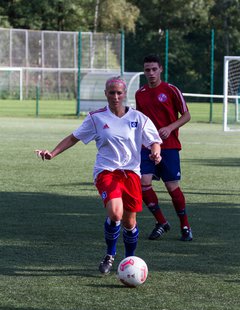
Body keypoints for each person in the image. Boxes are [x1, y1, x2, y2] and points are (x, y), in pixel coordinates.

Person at [35, 76, 162, 275]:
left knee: (130, 222)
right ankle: (110, 254)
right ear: (106, 94)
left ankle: (129, 259)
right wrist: (52, 153)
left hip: (131, 173)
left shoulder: (138, 118)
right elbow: (73, 137)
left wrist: (156, 152)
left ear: (124, 94)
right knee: (115, 213)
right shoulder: (96, 117)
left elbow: (154, 140)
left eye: (119, 93)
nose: (116, 96)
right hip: (106, 171)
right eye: (112, 92)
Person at [135, 54, 193, 241]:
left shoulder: (171, 90)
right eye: (147, 70)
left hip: (169, 146)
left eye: (154, 69)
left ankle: (185, 226)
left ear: (160, 69)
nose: (151, 73)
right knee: (143, 183)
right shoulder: (140, 93)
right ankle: (161, 221)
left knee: (171, 186)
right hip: (147, 146)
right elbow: (141, 120)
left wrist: (170, 127)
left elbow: (186, 115)